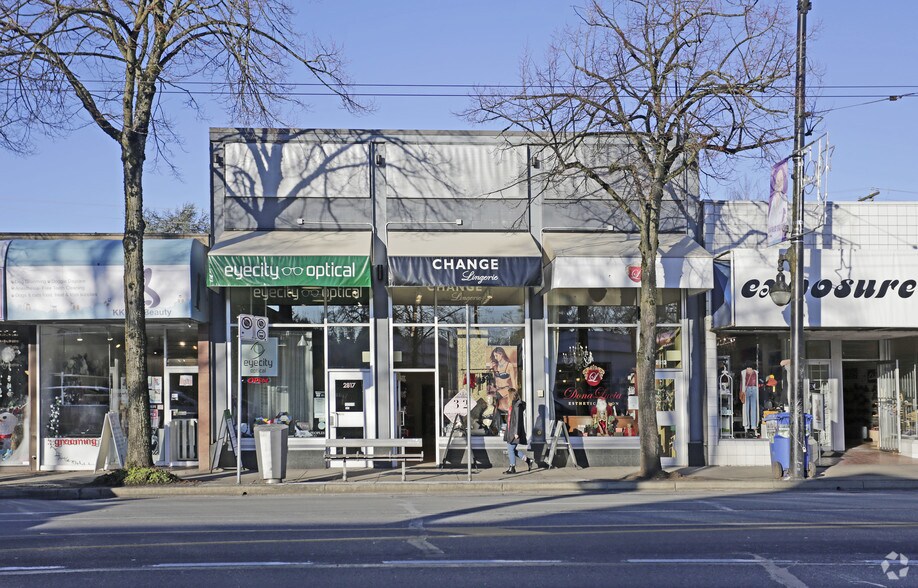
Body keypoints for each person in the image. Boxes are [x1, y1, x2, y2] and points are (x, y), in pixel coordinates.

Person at [502, 388, 532, 474]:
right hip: (511, 430)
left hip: (514, 431)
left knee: (510, 449)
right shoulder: (513, 404)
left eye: (508, 395)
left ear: (511, 396)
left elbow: (518, 420)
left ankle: (512, 467)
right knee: (512, 449)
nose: (507, 397)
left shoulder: (517, 405)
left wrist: (516, 432)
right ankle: (528, 460)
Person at [489, 346, 517, 412]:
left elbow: (513, 380)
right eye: (494, 356)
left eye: (496, 355)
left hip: (505, 390)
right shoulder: (495, 366)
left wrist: (514, 393)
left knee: (495, 404)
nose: (495, 358)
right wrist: (491, 369)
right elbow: (491, 379)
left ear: (501, 354)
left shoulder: (509, 365)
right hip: (497, 390)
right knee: (492, 405)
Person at [742, 366, 760, 436]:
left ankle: (752, 426)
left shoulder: (755, 372)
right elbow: (741, 383)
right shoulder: (744, 372)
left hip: (753, 389)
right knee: (747, 408)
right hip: (747, 389)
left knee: (753, 408)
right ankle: (748, 425)